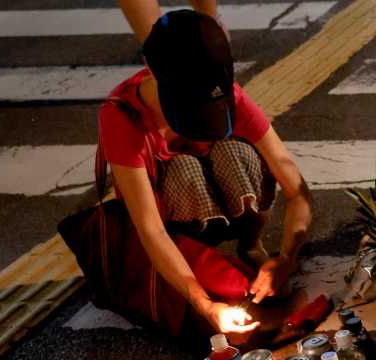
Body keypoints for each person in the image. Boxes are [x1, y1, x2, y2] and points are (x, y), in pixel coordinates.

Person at [99, 10, 311, 339]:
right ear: (151, 67)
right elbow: (151, 231)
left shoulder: (226, 92)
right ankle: (206, 261)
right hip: (171, 226)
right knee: (183, 170)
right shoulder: (122, 118)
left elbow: (297, 189)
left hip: (219, 194)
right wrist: (203, 303)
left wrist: (286, 257)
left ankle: (247, 246)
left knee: (238, 153)